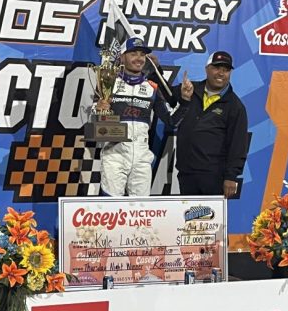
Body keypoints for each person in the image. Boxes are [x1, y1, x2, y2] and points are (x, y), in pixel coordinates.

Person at [94, 37, 189, 196]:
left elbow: (171, 122)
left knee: (140, 211)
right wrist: (98, 110)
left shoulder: (151, 88)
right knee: (110, 210)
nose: (139, 58)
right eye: (133, 54)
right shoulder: (109, 83)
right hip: (114, 155)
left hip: (142, 159)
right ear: (122, 56)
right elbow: (94, 125)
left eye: (142, 55)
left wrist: (185, 101)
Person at [150, 51, 248, 198]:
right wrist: (156, 69)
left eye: (226, 70)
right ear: (206, 68)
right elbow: (166, 95)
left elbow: (238, 145)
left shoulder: (235, 106)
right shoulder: (190, 89)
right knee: (188, 220)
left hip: (215, 177)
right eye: (216, 68)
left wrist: (231, 176)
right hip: (186, 173)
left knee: (211, 220)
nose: (221, 73)